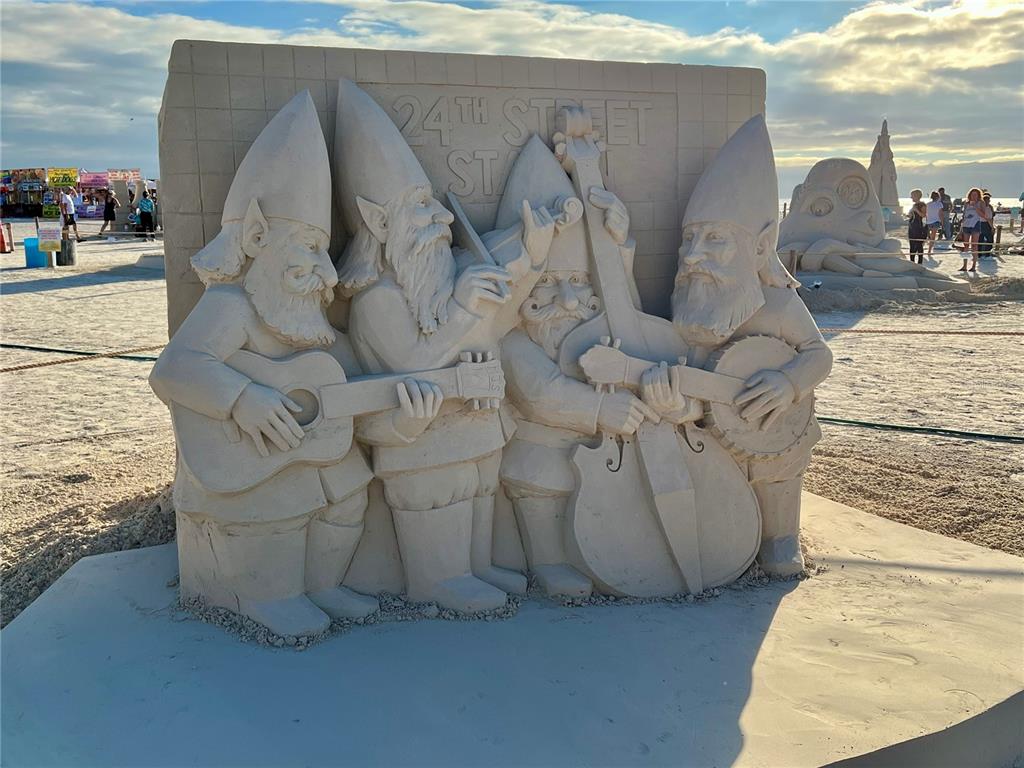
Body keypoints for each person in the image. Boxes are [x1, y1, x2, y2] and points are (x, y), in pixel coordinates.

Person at [335, 79, 555, 612]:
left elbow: (498, 319)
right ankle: (438, 579)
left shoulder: (440, 283)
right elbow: (416, 360)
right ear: (380, 223)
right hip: (421, 441)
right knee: (442, 493)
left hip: (474, 425)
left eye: (438, 206)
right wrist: (461, 307)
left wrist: (533, 256)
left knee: (478, 489)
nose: (444, 219)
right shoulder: (377, 300)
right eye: (422, 210)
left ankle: (474, 566)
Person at [959, 187, 984, 272]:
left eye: (975, 195)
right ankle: (964, 265)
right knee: (965, 246)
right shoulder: (966, 203)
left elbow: (983, 215)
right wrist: (961, 225)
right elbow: (964, 214)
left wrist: (975, 207)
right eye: (972, 195)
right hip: (966, 225)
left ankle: (973, 266)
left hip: (975, 225)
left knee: (974, 245)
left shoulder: (980, 203)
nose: (973, 196)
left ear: (978, 196)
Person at [925, 190, 944, 257]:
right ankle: (929, 251)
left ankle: (926, 249)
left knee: (928, 236)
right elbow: (940, 214)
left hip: (929, 221)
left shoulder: (928, 204)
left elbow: (926, 214)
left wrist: (926, 220)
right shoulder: (939, 204)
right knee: (933, 237)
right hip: (936, 221)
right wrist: (942, 222)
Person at [977, 192, 995, 258]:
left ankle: (979, 254)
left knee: (980, 239)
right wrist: (992, 227)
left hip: (979, 223)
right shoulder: (987, 208)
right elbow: (989, 219)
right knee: (989, 239)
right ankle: (987, 254)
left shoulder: (979, 207)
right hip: (986, 224)